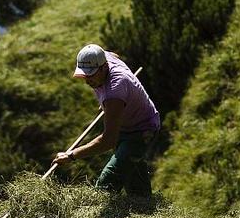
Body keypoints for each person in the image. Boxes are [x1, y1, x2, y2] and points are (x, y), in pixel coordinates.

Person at [51, 43, 161, 197]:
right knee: (134, 179)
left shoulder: (114, 92)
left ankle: (99, 216)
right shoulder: (106, 58)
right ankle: (144, 204)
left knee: (108, 182)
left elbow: (108, 141)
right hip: (123, 123)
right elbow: (114, 55)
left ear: (104, 67)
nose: (87, 80)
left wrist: (71, 155)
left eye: (91, 74)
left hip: (142, 131)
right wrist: (109, 106)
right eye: (84, 75)